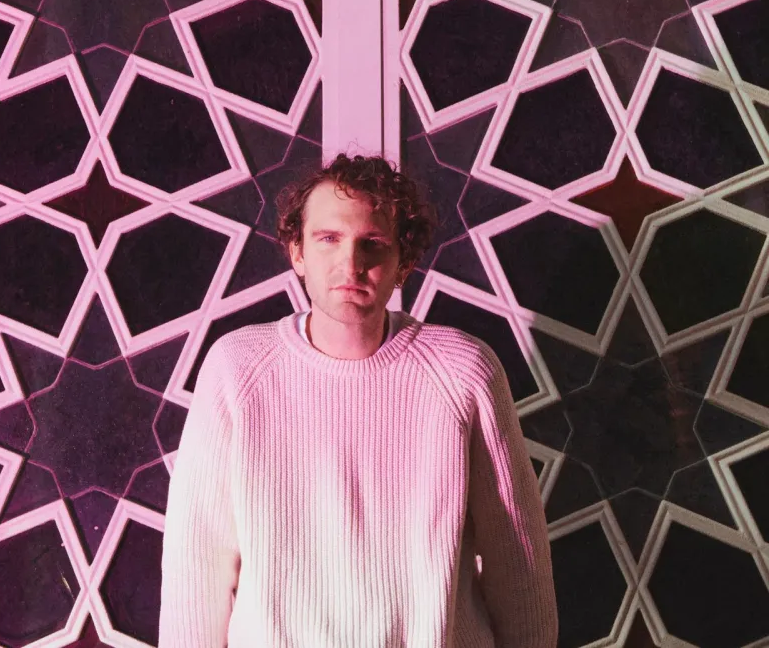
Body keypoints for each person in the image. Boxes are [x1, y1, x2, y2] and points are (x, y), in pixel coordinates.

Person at [159, 154, 557, 646]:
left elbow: (517, 556)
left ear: (403, 263)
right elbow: (196, 560)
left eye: (373, 243)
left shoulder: (464, 371)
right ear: (297, 252)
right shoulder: (236, 368)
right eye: (328, 238)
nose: (350, 264)